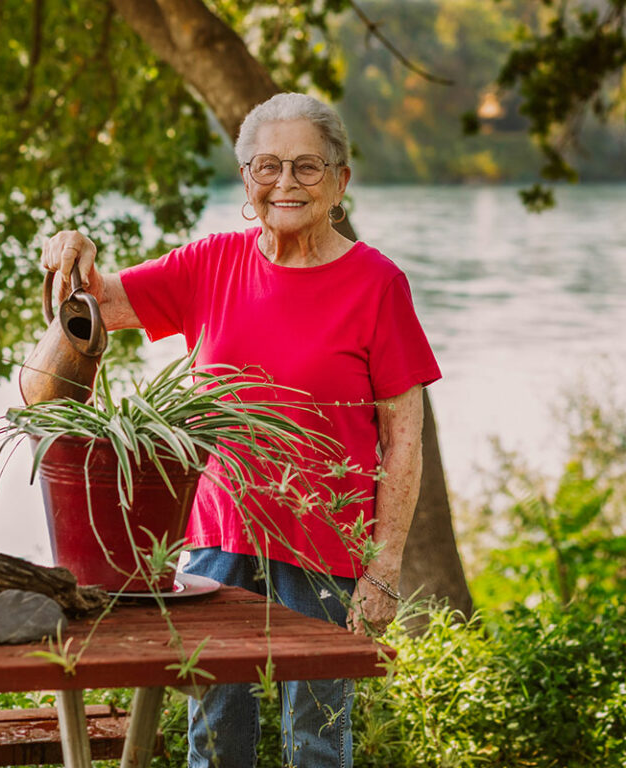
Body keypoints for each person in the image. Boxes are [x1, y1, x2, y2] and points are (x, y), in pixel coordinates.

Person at [41, 92, 441, 767]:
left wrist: (385, 567)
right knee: (214, 740)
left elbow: (405, 438)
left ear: (341, 181)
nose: (285, 183)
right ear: (246, 181)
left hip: (323, 552)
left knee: (318, 741)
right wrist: (70, 249)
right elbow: (95, 305)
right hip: (216, 543)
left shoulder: (377, 284)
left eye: (307, 167)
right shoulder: (210, 263)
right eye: (268, 166)